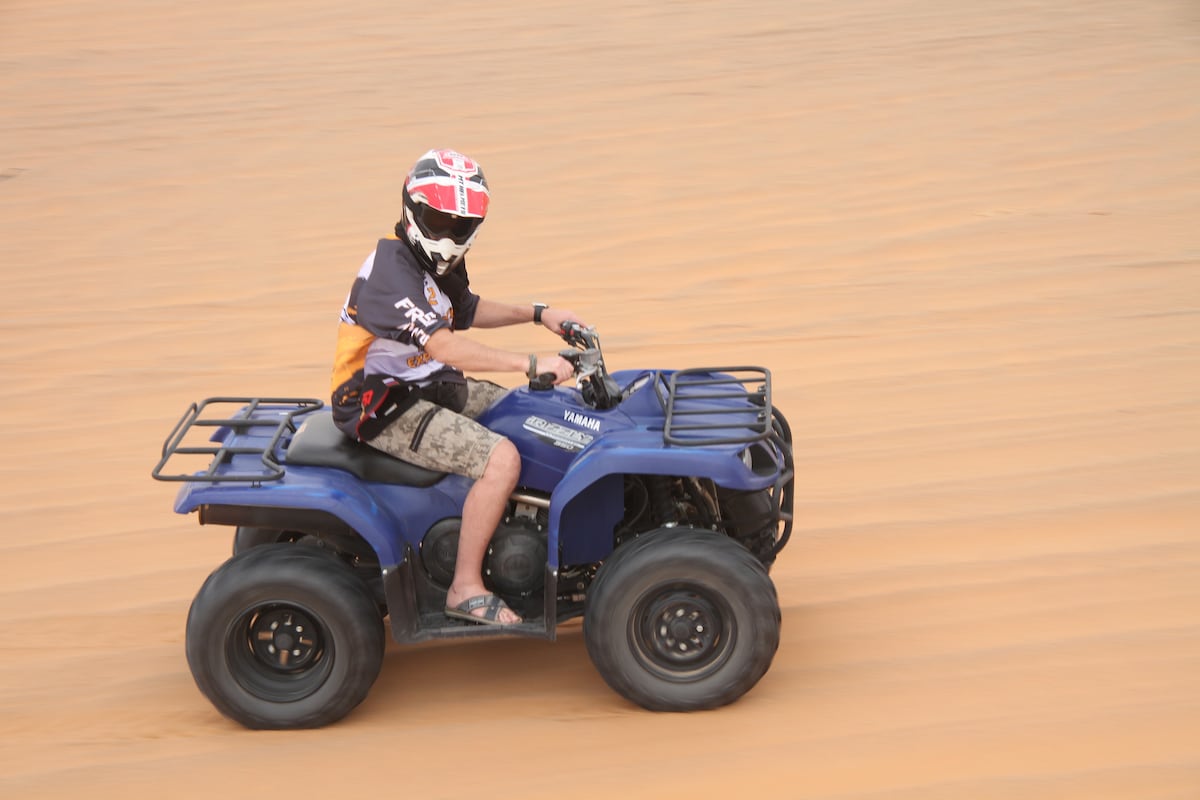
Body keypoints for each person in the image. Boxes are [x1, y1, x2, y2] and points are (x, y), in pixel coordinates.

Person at [330, 148, 585, 626]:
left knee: (533, 412)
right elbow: (446, 345)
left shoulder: (437, 262)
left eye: (459, 226)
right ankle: (465, 587)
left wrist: (540, 313)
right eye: (437, 220)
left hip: (425, 384)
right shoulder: (390, 272)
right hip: (380, 404)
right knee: (502, 457)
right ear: (411, 208)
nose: (447, 235)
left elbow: (463, 311)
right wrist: (530, 362)